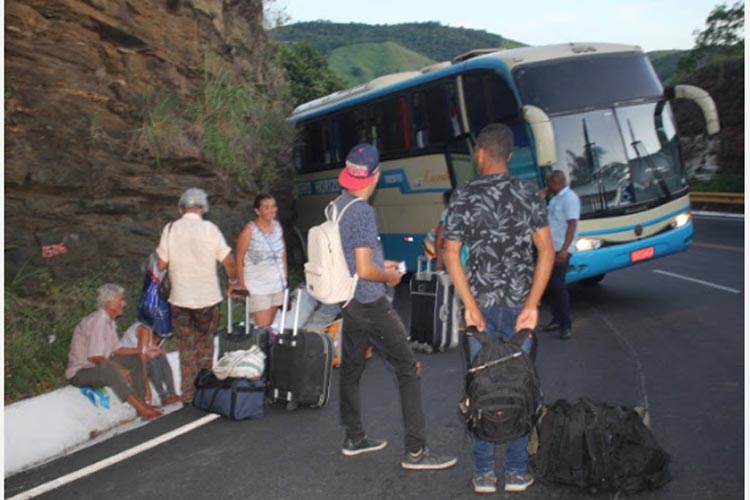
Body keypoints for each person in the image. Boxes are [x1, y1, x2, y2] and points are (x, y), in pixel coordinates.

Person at [443, 123, 554, 494]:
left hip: (482, 310)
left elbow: (450, 252)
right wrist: (533, 305)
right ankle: (520, 470)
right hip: (521, 307)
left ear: (479, 154)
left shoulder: (464, 194)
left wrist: (470, 306)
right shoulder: (527, 193)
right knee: (522, 386)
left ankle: (486, 473)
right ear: (509, 156)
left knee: (482, 386)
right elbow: (547, 251)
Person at [335, 143, 457, 471]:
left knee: (351, 368)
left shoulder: (338, 205)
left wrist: (382, 262)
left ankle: (354, 437)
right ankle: (416, 452)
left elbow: (353, 256)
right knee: (408, 369)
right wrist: (388, 276)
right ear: (375, 175)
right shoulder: (362, 210)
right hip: (369, 300)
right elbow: (365, 269)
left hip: (348, 300)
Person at [156, 188, 240, 403]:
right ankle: (206, 388)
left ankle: (187, 393)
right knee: (206, 344)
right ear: (202, 208)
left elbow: (161, 264)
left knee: (186, 346)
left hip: (180, 300)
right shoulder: (210, 229)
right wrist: (232, 283)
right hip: (208, 300)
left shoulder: (171, 228)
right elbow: (229, 261)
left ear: (180, 208)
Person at [66, 284, 162, 420]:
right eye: (121, 300)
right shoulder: (98, 321)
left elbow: (117, 349)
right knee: (110, 370)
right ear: (109, 303)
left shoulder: (109, 321)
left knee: (135, 359)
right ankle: (140, 408)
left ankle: (143, 403)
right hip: (80, 372)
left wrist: (143, 351)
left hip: (97, 367)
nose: (124, 303)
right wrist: (120, 369)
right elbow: (95, 358)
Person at [235, 193, 287, 327]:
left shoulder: (277, 227)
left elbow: (282, 254)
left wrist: (285, 278)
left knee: (269, 326)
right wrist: (242, 285)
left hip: (277, 285)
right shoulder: (249, 231)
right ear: (257, 210)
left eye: (273, 206)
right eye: (266, 207)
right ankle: (262, 348)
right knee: (262, 328)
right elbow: (239, 258)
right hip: (257, 287)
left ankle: (269, 347)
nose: (272, 210)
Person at [542, 171, 581, 339]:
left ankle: (565, 324)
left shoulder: (570, 199)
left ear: (556, 183)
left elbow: (572, 224)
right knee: (551, 285)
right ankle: (557, 318)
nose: (548, 187)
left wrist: (565, 250)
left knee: (558, 286)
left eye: (549, 184)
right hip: (551, 247)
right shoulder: (556, 198)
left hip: (561, 249)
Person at [120, 318, 181, 406]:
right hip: (127, 357)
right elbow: (143, 357)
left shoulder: (162, 335)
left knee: (161, 358)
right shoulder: (145, 331)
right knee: (151, 362)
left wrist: (158, 352)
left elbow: (157, 351)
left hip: (142, 354)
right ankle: (163, 396)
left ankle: (172, 393)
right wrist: (146, 386)